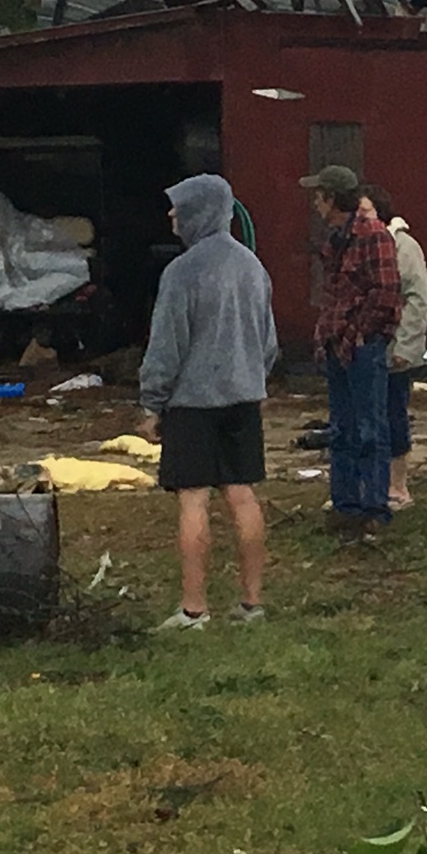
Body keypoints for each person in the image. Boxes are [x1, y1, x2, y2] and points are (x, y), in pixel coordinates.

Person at [137, 174, 278, 632]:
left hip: (192, 403)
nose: (171, 215)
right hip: (243, 399)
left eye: (178, 207)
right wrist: (253, 381)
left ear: (198, 210)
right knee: (242, 495)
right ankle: (252, 604)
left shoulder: (181, 272)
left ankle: (194, 609)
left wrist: (152, 404)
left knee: (193, 501)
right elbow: (268, 342)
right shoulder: (253, 267)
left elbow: (167, 346)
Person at [301, 165, 400, 538]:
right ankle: (345, 506)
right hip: (335, 344)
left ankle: (374, 507)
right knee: (342, 427)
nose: (314, 202)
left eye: (318, 195)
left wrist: (361, 333)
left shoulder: (373, 235)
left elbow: (387, 292)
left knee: (370, 427)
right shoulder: (336, 238)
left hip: (361, 347)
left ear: (331, 198)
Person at [359, 183, 427, 510]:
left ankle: (398, 485)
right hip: (363, 351)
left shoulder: (404, 247)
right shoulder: (354, 247)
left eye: (366, 212)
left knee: (392, 414)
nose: (361, 218)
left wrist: (406, 345)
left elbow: (417, 299)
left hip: (394, 351)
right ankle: (367, 483)